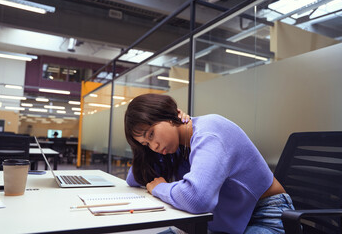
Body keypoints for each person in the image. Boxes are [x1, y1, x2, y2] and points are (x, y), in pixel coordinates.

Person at [124, 93, 294, 234]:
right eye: (146, 144)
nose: (154, 146)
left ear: (169, 115)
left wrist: (160, 188)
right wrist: (143, 153)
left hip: (266, 217)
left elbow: (197, 199)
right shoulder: (176, 147)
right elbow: (136, 179)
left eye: (151, 134)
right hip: (227, 221)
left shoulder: (209, 133)